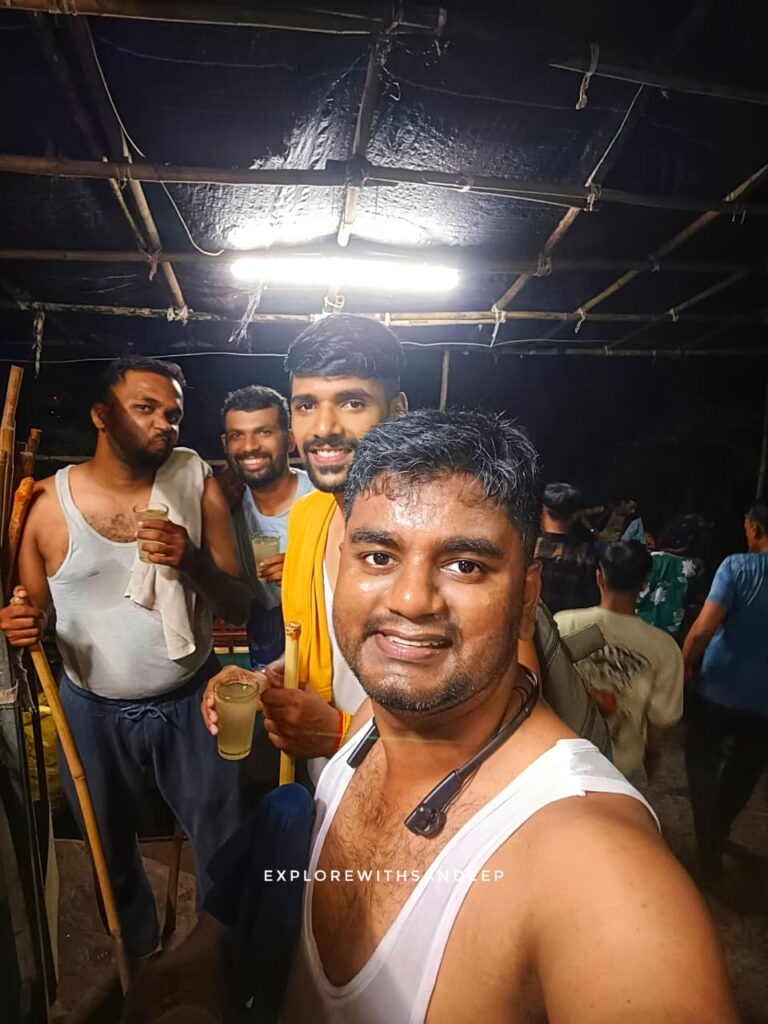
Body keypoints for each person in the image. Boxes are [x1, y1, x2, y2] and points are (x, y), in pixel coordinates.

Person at [279, 410, 735, 1023]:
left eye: (465, 565)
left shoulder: (600, 869)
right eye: (379, 556)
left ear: (526, 597)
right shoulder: (371, 719)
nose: (411, 600)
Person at [0, 356, 251, 960]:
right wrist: (18, 624)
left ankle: (220, 955)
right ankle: (138, 952)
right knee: (106, 842)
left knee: (222, 837)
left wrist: (189, 561)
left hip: (193, 702)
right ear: (101, 416)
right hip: (92, 710)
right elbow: (29, 617)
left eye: (174, 414)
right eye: (146, 409)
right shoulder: (46, 507)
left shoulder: (197, 487)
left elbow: (239, 604)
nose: (165, 425)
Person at [203, 315, 408, 780]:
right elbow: (318, 653)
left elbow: (485, 711)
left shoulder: (431, 531)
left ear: (396, 410)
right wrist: (261, 678)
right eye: (306, 405)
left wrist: (339, 733)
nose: (324, 428)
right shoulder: (310, 516)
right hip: (326, 787)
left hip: (416, 798)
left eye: (353, 402)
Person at [683, 502, 768, 880]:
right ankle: (720, 829)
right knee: (744, 770)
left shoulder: (736, 567)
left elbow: (703, 628)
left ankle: (707, 838)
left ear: (754, 528)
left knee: (701, 758)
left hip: (718, 686)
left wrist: (685, 661)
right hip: (763, 703)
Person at [555, 541, 684, 779]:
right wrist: (651, 755)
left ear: (599, 578)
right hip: (618, 764)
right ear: (644, 584)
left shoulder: (562, 624)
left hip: (558, 752)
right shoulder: (664, 648)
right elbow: (660, 720)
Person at [221, 385, 314, 668]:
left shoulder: (321, 498)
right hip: (263, 620)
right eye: (238, 435)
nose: (249, 446)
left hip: (318, 621)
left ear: (288, 440)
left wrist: (304, 577)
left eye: (264, 432)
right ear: (225, 444)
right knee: (272, 705)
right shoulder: (224, 501)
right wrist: (217, 501)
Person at [535, 481, 599, 614]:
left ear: (544, 510)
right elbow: (593, 600)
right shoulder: (586, 554)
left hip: (533, 628)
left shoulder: (530, 549)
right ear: (574, 515)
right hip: (570, 630)